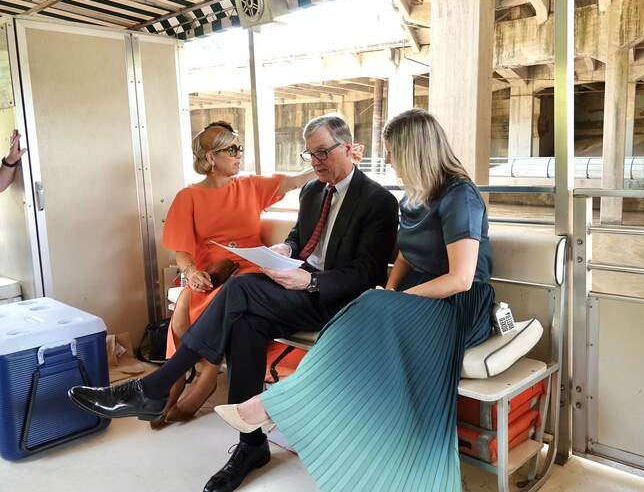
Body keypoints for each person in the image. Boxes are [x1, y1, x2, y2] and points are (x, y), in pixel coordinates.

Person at [69, 113, 400, 492]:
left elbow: (368, 274)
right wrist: (284, 248)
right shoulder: (313, 192)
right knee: (245, 324)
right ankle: (251, 445)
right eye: (310, 156)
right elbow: (299, 236)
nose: (316, 163)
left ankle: (155, 387)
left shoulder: (378, 200)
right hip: (295, 288)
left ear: (347, 147)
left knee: (241, 291)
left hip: (335, 299)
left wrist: (309, 280)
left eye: (323, 153)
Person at [213, 108, 495, 492]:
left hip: (458, 306)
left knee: (370, 303)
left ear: (415, 150)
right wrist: (392, 292)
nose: (390, 159)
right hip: (420, 301)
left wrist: (398, 300)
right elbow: (407, 254)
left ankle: (275, 404)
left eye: (393, 151)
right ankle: (284, 409)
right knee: (370, 300)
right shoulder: (415, 198)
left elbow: (461, 279)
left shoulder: (460, 195)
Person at [152, 121, 317, 425]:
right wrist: (190, 272)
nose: (239, 154)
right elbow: (182, 250)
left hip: (251, 268)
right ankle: (174, 384)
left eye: (240, 147)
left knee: (233, 299)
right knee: (190, 304)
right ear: (211, 157)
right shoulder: (187, 197)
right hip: (211, 272)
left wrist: (324, 162)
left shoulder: (250, 186)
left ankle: (205, 376)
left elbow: (293, 182)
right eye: (231, 149)